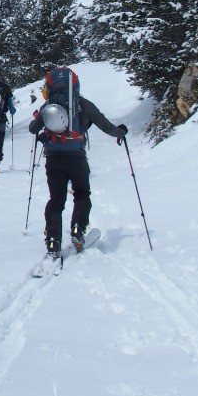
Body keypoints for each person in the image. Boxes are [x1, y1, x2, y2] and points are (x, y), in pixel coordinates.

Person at [27, 67, 127, 257]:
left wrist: (41, 119)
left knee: (56, 200)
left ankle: (53, 240)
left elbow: (33, 129)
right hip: (77, 158)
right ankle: (77, 230)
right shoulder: (82, 104)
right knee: (82, 193)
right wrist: (121, 132)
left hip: (54, 159)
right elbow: (105, 125)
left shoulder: (48, 106)